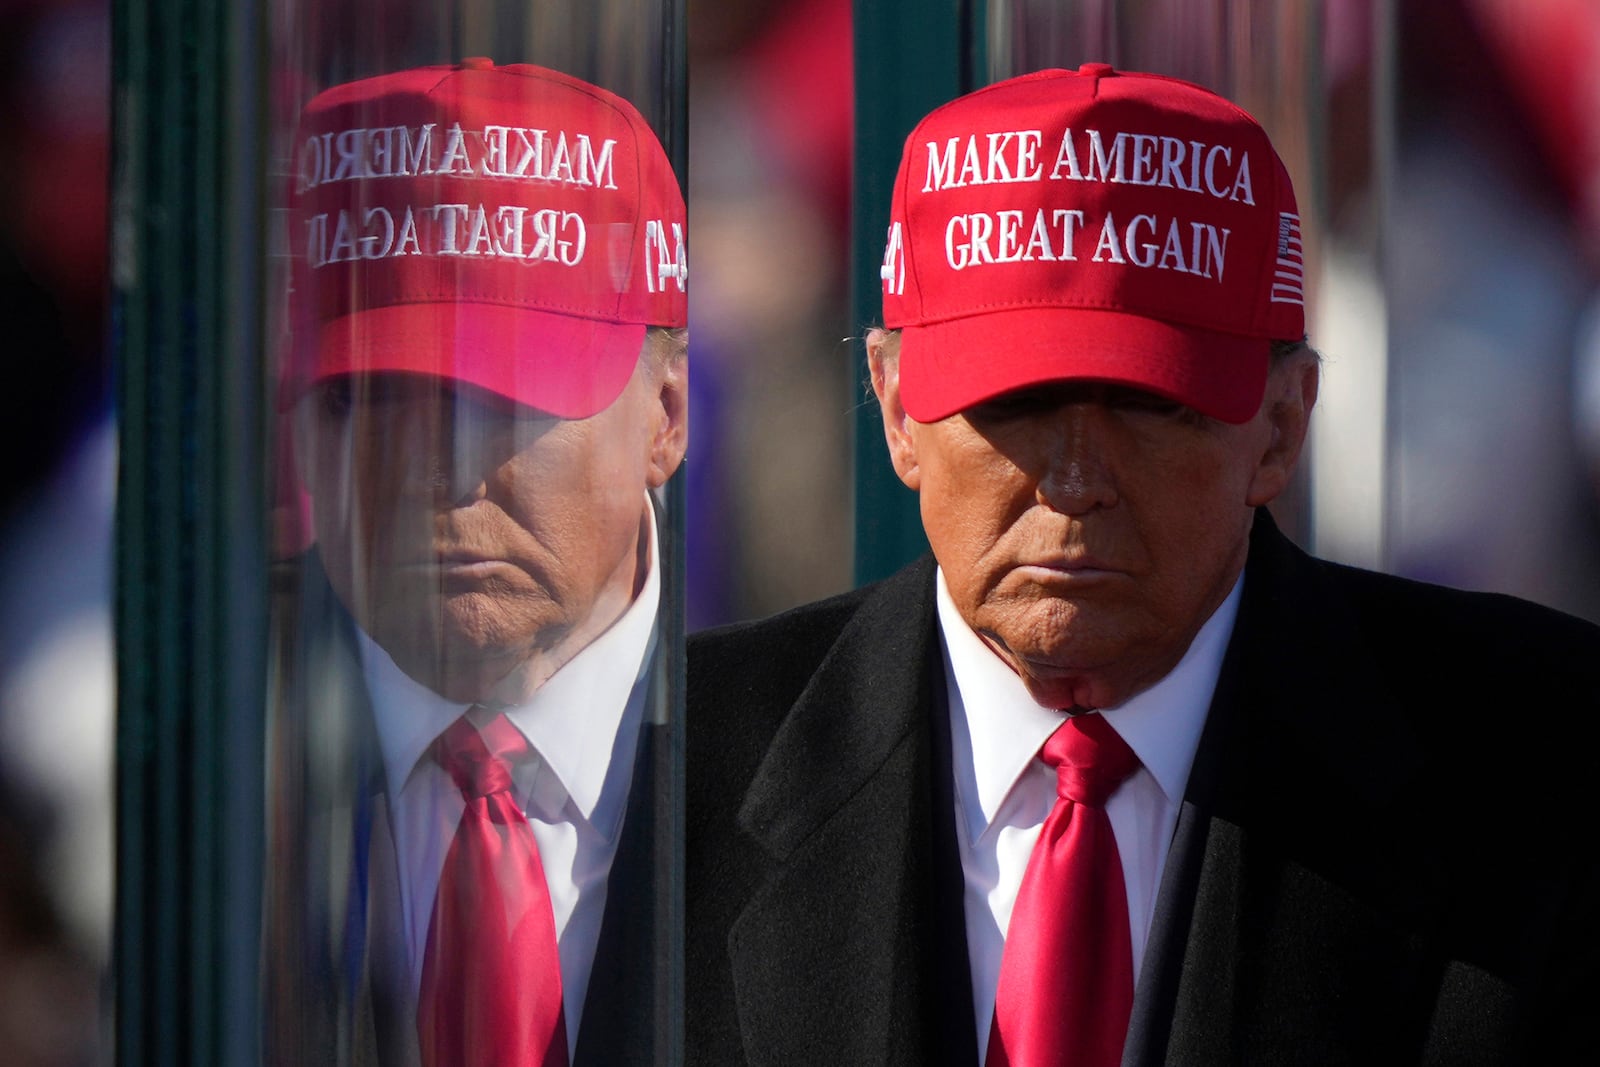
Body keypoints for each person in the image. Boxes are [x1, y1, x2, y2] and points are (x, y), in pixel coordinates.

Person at [686, 63, 1600, 1065]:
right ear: (898, 410)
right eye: (1014, 404)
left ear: (1282, 425)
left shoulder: (1548, 768)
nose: (1075, 479)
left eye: (1151, 404)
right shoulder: (666, 778)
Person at [267, 59, 687, 1067]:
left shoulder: (844, 751)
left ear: (665, 415)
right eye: (371, 402)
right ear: (302, 435)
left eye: (508, 404)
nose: (441, 478)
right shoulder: (172, 769)